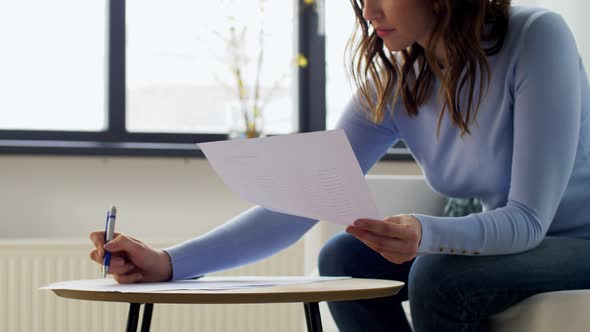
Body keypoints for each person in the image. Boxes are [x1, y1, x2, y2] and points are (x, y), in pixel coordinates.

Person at [89, 0, 590, 330]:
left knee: (438, 273)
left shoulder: (536, 37)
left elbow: (528, 220)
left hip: (576, 242)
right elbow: (295, 204)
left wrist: (424, 231)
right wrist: (171, 263)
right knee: (342, 259)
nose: (368, 8)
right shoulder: (398, 81)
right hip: (512, 243)